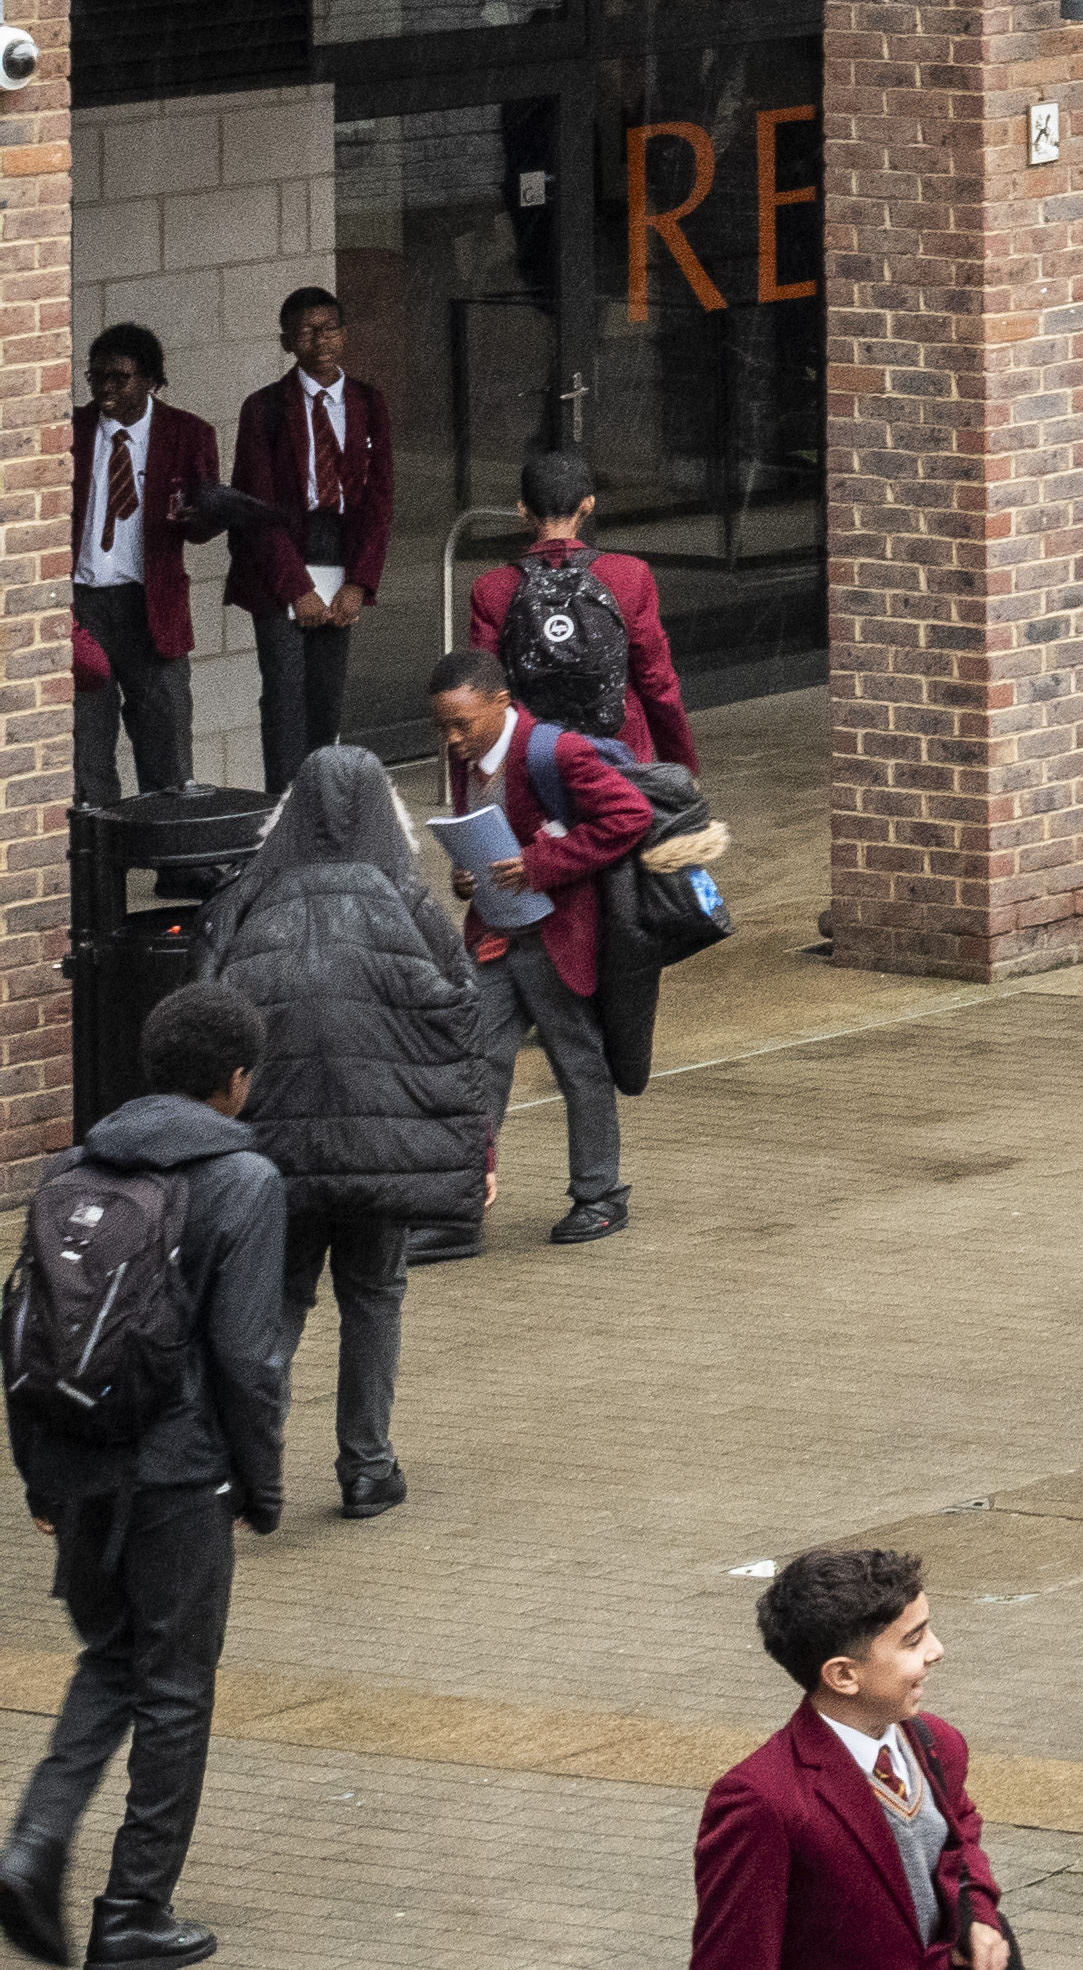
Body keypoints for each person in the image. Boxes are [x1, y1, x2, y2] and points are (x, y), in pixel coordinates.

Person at [0, 979, 289, 1970]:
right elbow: (250, 1359)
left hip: (76, 1462)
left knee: (111, 1660)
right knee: (174, 1688)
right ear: (236, 1081)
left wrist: (39, 1478)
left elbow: (22, 1330)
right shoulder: (244, 1182)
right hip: (177, 1477)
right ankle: (133, 1911)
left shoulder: (72, 1167)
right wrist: (262, 1486)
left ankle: (34, 1844)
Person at [186, 747, 496, 1519]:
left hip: (270, 1151)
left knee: (276, 1305)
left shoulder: (241, 904)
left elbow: (201, 1020)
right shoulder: (409, 905)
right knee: (374, 1297)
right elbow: (462, 1029)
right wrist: (475, 1148)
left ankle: (240, 1466)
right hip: (380, 1155)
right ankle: (366, 1467)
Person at [421, 644, 658, 1243]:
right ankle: (459, 1210)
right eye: (442, 727)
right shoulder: (466, 757)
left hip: (558, 935)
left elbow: (628, 816)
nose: (452, 740)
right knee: (476, 1063)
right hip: (499, 935)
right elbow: (484, 832)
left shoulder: (555, 751)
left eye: (462, 724)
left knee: (578, 1063)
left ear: (501, 704)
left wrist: (541, 863)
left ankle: (600, 1195)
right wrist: (465, 876)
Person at [696, 1541, 1014, 1970]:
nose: (936, 1650)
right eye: (913, 1640)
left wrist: (976, 1916)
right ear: (844, 1674)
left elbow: (960, 1838)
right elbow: (736, 1958)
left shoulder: (936, 1742)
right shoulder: (762, 1801)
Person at [218, 295, 385, 790]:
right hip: (279, 557)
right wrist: (297, 590)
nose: (321, 340)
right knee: (286, 692)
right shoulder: (265, 407)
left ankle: (321, 804)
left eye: (330, 328)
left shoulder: (369, 403)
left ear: (345, 332)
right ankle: (284, 813)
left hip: (339, 549)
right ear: (287, 342)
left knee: (326, 693)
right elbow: (256, 511)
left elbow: (380, 501)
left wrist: (359, 581)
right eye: (307, 331)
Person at [462, 457, 700, 780]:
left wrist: (479, 781)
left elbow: (482, 693)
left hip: (534, 764)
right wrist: (683, 772)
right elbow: (658, 686)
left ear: (522, 509)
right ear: (588, 504)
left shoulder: (491, 589)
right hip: (620, 761)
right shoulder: (629, 575)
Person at [56, 340, 213, 809]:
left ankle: (175, 866)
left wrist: (206, 516)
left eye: (118, 378)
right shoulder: (73, 430)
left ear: (149, 380)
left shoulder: (187, 433)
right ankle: (100, 872)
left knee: (165, 740)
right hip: (83, 605)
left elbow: (201, 528)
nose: (105, 388)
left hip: (150, 606)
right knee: (86, 746)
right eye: (96, 377)